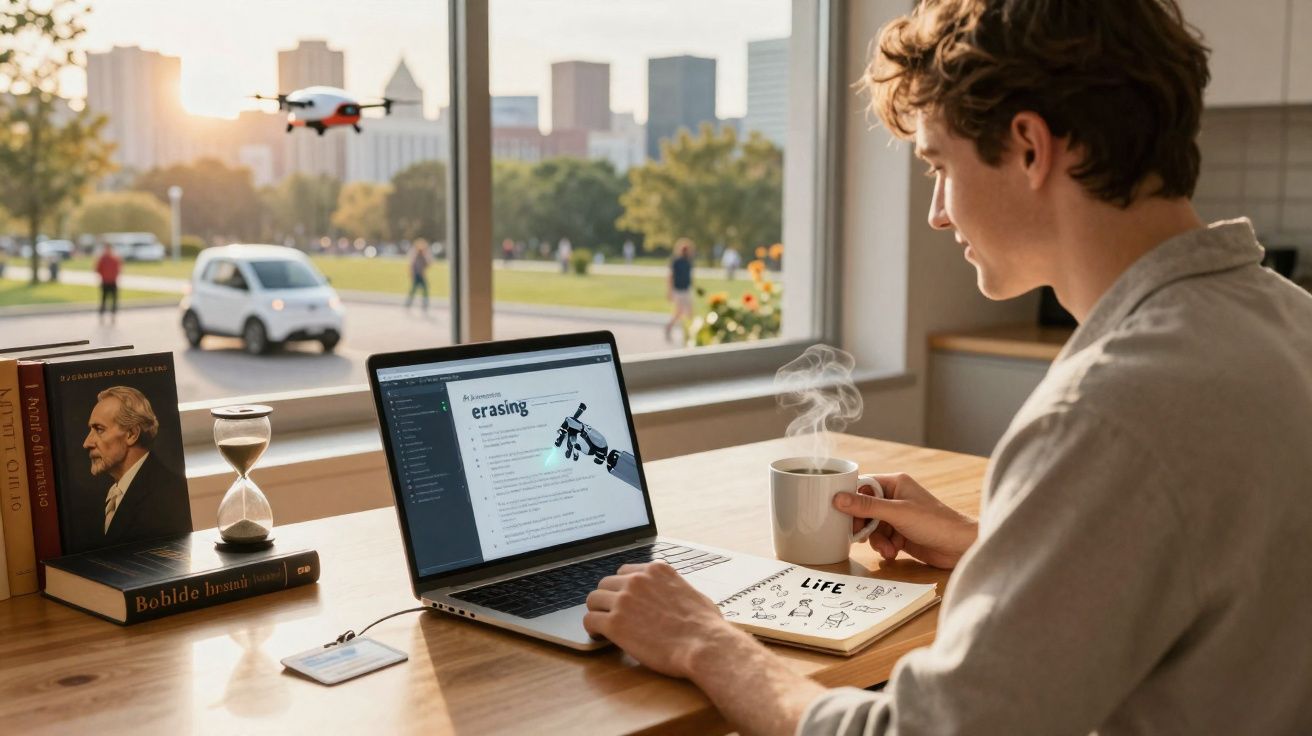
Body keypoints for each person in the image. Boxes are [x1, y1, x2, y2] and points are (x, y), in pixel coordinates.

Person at [583, 1, 1312, 733]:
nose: (936, 211)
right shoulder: (1288, 321)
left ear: (1030, 146)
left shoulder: (1107, 412)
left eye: (938, 165)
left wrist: (709, 642)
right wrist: (997, 546)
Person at [81, 386, 190, 550]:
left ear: (132, 434)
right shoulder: (114, 493)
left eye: (99, 429)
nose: (87, 443)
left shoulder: (166, 495)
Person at [664, 238, 695, 343]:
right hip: (678, 290)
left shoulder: (688, 262)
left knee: (690, 313)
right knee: (679, 312)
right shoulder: (676, 261)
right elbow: (670, 276)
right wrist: (669, 291)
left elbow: (689, 277)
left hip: (686, 290)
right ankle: (669, 327)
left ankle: (689, 334)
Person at [95, 244, 122, 323]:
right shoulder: (102, 259)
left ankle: (113, 314)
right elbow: (98, 269)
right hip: (105, 281)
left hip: (113, 282)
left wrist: (115, 276)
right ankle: (102, 314)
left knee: (114, 299)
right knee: (104, 299)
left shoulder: (115, 259)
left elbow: (118, 268)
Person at [405, 240, 431, 311]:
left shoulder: (423, 257)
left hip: (421, 276)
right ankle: (409, 302)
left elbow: (428, 264)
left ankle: (424, 303)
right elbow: (412, 266)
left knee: (424, 289)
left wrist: (427, 255)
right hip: (417, 276)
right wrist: (412, 274)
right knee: (413, 290)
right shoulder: (415, 257)